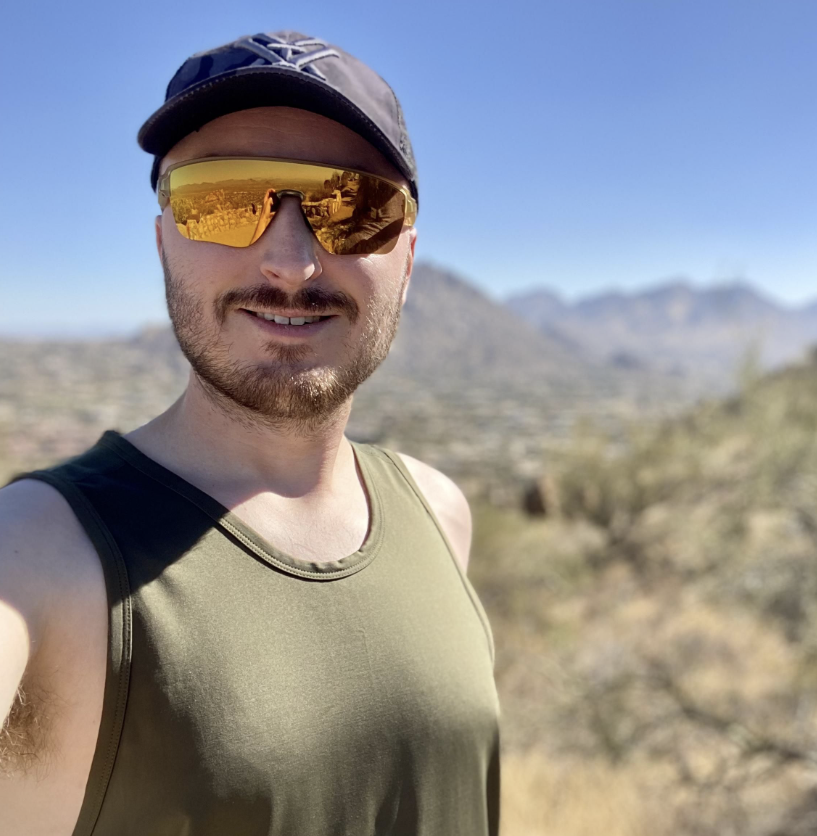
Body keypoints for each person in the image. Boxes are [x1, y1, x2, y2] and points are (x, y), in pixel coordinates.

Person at [0, 30, 500, 836]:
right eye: (223, 200)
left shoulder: (438, 514)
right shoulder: (43, 551)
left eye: (353, 206)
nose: (291, 263)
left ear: (406, 256)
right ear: (165, 240)